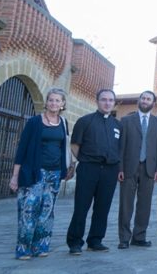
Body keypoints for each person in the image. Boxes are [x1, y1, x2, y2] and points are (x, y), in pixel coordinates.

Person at [10, 88, 73, 260]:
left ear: (63, 104)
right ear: (46, 102)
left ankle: (40, 246)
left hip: (54, 174)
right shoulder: (35, 122)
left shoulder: (63, 123)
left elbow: (64, 147)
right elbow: (21, 150)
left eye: (57, 100)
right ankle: (23, 248)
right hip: (34, 172)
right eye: (51, 100)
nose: (54, 103)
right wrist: (15, 176)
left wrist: (66, 168)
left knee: (47, 211)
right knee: (28, 209)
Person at [66, 89, 121, 255]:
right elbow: (75, 145)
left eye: (111, 100)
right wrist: (86, 160)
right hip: (89, 169)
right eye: (104, 99)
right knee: (81, 207)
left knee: (102, 208)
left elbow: (120, 148)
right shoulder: (85, 121)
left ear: (114, 103)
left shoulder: (118, 125)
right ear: (97, 101)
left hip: (110, 171)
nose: (107, 103)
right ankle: (75, 242)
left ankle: (95, 240)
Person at [117, 91, 157, 249]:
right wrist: (120, 168)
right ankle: (124, 238)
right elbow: (121, 147)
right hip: (129, 167)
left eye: (148, 99)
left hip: (149, 168)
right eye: (143, 98)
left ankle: (139, 236)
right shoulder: (126, 120)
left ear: (153, 103)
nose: (145, 101)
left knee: (145, 205)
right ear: (139, 101)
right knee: (126, 205)